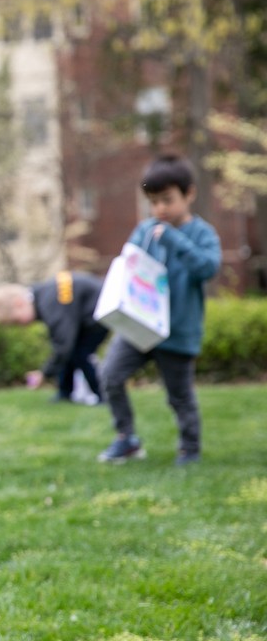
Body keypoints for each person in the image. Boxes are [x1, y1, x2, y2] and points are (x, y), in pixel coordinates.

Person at [97, 154, 221, 466]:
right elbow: (129, 265)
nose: (160, 209)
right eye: (154, 202)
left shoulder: (201, 234)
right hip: (137, 327)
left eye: (167, 200)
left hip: (177, 332)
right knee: (110, 374)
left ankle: (189, 448)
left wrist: (176, 241)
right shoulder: (145, 230)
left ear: (189, 194)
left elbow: (208, 268)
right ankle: (126, 438)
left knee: (179, 396)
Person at [0, 271, 109, 404]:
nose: (20, 326)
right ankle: (65, 393)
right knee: (72, 352)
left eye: (16, 321)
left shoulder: (50, 305)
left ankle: (102, 395)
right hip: (92, 311)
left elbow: (63, 346)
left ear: (19, 303)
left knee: (80, 354)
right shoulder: (43, 294)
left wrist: (44, 374)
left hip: (98, 312)